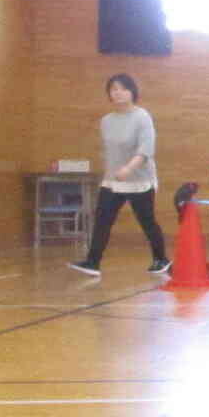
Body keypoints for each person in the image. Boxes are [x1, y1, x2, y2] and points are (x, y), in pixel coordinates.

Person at [68, 73, 170, 278]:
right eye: (113, 89)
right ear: (109, 94)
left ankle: (161, 259)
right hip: (113, 181)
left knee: (147, 221)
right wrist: (112, 172)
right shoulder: (106, 120)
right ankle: (93, 261)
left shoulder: (142, 116)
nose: (118, 93)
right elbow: (109, 150)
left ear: (132, 92)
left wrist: (129, 169)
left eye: (123, 88)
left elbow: (146, 149)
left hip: (139, 179)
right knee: (102, 219)